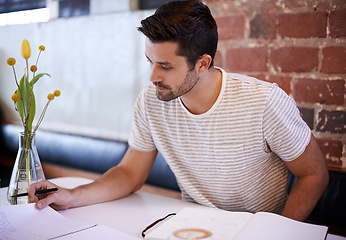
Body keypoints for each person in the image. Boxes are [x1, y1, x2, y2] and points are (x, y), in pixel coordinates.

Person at [28, 0, 328, 221]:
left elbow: (314, 175)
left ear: (203, 63)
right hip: (193, 226)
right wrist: (71, 197)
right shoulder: (151, 100)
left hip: (257, 229)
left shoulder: (264, 102)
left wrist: (278, 232)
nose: (153, 76)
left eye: (166, 66)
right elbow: (130, 172)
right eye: (150, 61)